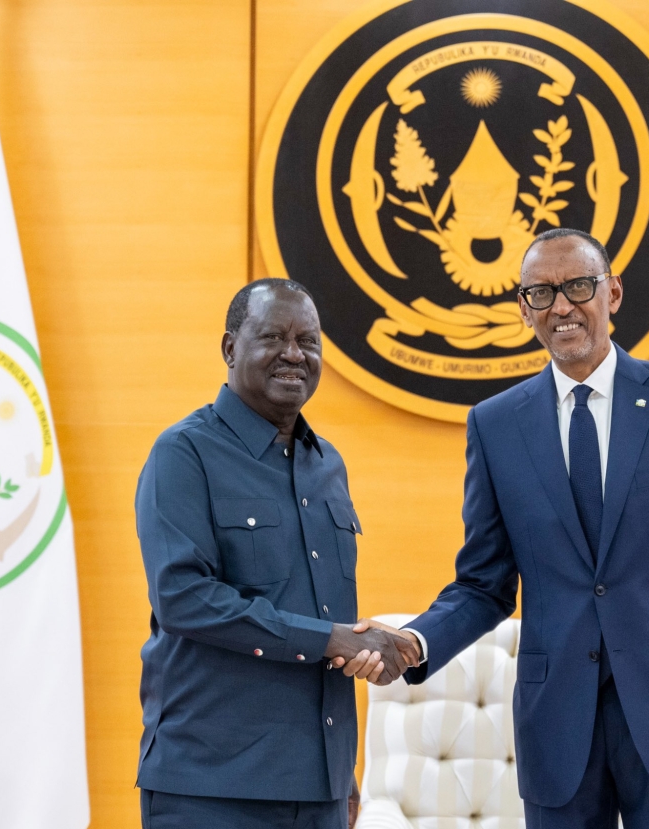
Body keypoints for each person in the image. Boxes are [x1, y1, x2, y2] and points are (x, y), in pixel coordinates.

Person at [350, 229, 649, 828]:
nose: (561, 306)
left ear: (613, 293)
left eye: (578, 286)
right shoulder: (496, 426)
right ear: (524, 311)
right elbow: (484, 584)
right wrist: (415, 642)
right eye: (540, 293)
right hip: (557, 724)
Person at [134, 278, 418, 829]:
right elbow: (183, 598)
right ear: (229, 348)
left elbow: (323, 618)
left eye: (309, 341)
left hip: (321, 791)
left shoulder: (326, 464)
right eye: (273, 337)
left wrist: (340, 774)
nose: (295, 354)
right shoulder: (183, 453)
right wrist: (329, 639)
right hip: (212, 788)